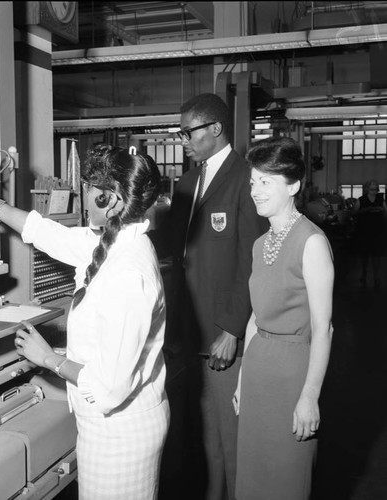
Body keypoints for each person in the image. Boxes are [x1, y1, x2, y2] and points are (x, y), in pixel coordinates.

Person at [0, 144, 170, 500]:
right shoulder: (114, 242)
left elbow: (110, 389)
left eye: (88, 193)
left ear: (108, 200)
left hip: (121, 434)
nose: (82, 201)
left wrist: (49, 358)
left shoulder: (128, 272)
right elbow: (51, 235)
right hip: (108, 427)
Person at [150, 93, 267, 500]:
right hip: (185, 331)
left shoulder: (246, 178)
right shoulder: (186, 182)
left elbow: (251, 260)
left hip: (219, 334)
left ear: (215, 128)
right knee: (198, 438)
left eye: (188, 131)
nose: (183, 139)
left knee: (228, 436)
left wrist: (232, 328)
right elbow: (170, 249)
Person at [234, 137, 334, 500]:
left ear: (293, 185)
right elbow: (254, 316)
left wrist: (310, 395)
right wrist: (243, 377)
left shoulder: (312, 243)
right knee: (252, 477)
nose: (256, 191)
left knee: (285, 480)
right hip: (258, 372)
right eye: (253, 182)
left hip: (293, 376)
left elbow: (324, 329)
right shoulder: (261, 244)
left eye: (266, 182)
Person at [352, 179, 387, 287]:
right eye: (372, 188)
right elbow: (354, 213)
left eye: (375, 187)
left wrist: (381, 211)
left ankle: (376, 277)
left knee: (376, 256)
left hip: (378, 231)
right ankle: (364, 274)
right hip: (364, 232)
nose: (374, 190)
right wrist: (363, 211)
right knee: (365, 255)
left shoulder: (381, 200)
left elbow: (386, 213)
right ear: (367, 189)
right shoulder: (361, 200)